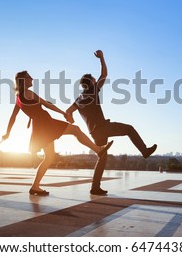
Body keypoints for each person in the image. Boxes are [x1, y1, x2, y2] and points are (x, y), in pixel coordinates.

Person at [3, 70, 113, 196]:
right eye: (29, 77)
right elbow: (46, 105)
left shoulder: (18, 97)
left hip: (40, 127)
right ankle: (98, 150)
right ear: (23, 80)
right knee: (75, 130)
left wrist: (7, 133)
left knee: (49, 157)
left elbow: (13, 117)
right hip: (46, 124)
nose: (32, 78)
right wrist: (63, 113)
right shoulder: (28, 93)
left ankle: (35, 187)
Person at [66, 50, 157, 195]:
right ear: (91, 83)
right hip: (103, 127)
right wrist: (101, 58)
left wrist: (71, 120)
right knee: (129, 129)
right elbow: (104, 75)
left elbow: (68, 112)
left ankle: (95, 187)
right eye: (94, 80)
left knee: (102, 157)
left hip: (94, 132)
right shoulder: (93, 91)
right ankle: (144, 151)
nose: (97, 81)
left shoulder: (78, 99)